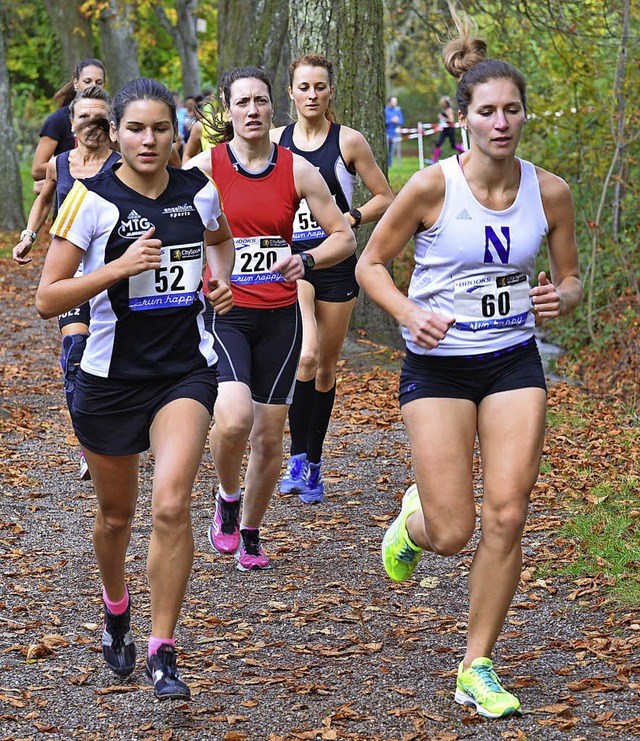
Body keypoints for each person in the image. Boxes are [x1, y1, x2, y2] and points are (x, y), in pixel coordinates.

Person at [356, 3, 582, 720]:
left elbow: (571, 278)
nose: (502, 122)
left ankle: (476, 663)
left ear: (524, 116)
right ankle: (413, 521)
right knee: (454, 532)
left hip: (513, 359)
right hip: (441, 367)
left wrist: (560, 299)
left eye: (513, 109)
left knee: (509, 514)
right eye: (488, 110)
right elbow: (369, 266)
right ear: (464, 118)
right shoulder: (430, 187)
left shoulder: (550, 192)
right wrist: (408, 312)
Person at [35, 77, 235, 700]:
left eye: (160, 129)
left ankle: (162, 649)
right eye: (136, 129)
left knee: (172, 504)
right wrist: (118, 268)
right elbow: (46, 298)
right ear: (115, 134)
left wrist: (221, 282)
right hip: (109, 379)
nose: (149, 140)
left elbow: (220, 240)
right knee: (117, 515)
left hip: (184, 370)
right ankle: (116, 605)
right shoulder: (90, 201)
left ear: (176, 133)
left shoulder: (197, 189)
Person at [184, 66, 355, 570]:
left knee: (268, 437)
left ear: (271, 107)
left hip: (281, 316)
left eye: (260, 101)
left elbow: (343, 235)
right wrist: (202, 277)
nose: (253, 111)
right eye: (242, 103)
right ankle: (227, 499)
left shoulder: (298, 169)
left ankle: (252, 532)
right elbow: (167, 220)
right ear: (228, 110)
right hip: (228, 314)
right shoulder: (203, 168)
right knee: (234, 419)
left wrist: (309, 260)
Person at [271, 54, 393, 503]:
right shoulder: (274, 141)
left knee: (324, 367)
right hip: (291, 263)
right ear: (290, 92)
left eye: (319, 87)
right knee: (305, 358)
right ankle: (297, 458)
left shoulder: (349, 141)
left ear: (330, 91)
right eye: (303, 87)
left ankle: (316, 464)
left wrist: (352, 216)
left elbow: (385, 196)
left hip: (336, 261)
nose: (312, 95)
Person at [14, 85, 120, 480]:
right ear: (71, 123)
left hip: (113, 277)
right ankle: (89, 443)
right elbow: (44, 198)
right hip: (72, 276)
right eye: (84, 117)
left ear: (111, 126)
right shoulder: (60, 164)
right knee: (75, 351)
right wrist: (29, 234)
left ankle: (120, 430)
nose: (91, 124)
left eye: (99, 118)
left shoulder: (123, 166)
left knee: (111, 359)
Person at [32, 59, 106, 194]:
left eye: (98, 82)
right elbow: (37, 170)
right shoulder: (58, 120)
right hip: (68, 196)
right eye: (87, 81)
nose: (93, 86)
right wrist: (73, 169)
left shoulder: (109, 119)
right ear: (76, 83)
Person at [433, 95, 464, 161]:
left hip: (450, 129)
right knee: (438, 144)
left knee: (453, 145)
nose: (441, 103)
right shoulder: (444, 109)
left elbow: (451, 120)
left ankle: (465, 152)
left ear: (445, 102)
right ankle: (433, 160)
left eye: (442, 102)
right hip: (445, 129)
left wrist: (442, 117)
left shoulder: (449, 110)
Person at [385, 96, 403, 168]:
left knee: (391, 151)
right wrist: (391, 121)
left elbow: (401, 121)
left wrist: (397, 121)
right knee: (386, 150)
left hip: (394, 134)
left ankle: (390, 165)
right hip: (386, 133)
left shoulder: (397, 111)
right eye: (393, 102)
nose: (395, 103)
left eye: (396, 102)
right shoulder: (385, 110)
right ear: (389, 102)